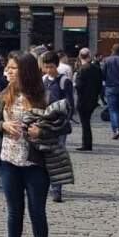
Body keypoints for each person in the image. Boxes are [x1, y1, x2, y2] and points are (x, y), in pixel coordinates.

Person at [0, 52, 61, 237]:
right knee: (14, 210)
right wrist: (3, 125)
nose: (7, 72)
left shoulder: (45, 95)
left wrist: (42, 130)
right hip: (9, 160)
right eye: (7, 68)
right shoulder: (6, 93)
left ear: (25, 70)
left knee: (37, 210)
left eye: (12, 68)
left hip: (35, 162)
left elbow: (63, 125)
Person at [39, 51, 74, 203]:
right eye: (46, 67)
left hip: (59, 125)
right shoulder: (43, 80)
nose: (49, 70)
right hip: (45, 123)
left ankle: (56, 189)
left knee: (57, 157)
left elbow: (70, 104)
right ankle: (44, 185)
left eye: (51, 67)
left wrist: (64, 120)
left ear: (56, 65)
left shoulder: (64, 81)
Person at [73, 47, 103, 152]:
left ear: (79, 56)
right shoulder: (96, 68)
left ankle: (86, 144)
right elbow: (100, 85)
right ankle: (87, 144)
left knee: (85, 123)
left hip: (83, 100)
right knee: (87, 122)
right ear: (89, 55)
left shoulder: (81, 69)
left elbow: (78, 86)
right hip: (93, 99)